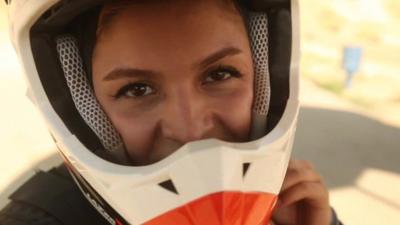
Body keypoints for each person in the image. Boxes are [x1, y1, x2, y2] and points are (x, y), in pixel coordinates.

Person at [0, 0, 342, 224]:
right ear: (84, 107)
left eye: (219, 74)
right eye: (137, 90)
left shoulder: (290, 209)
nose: (190, 129)